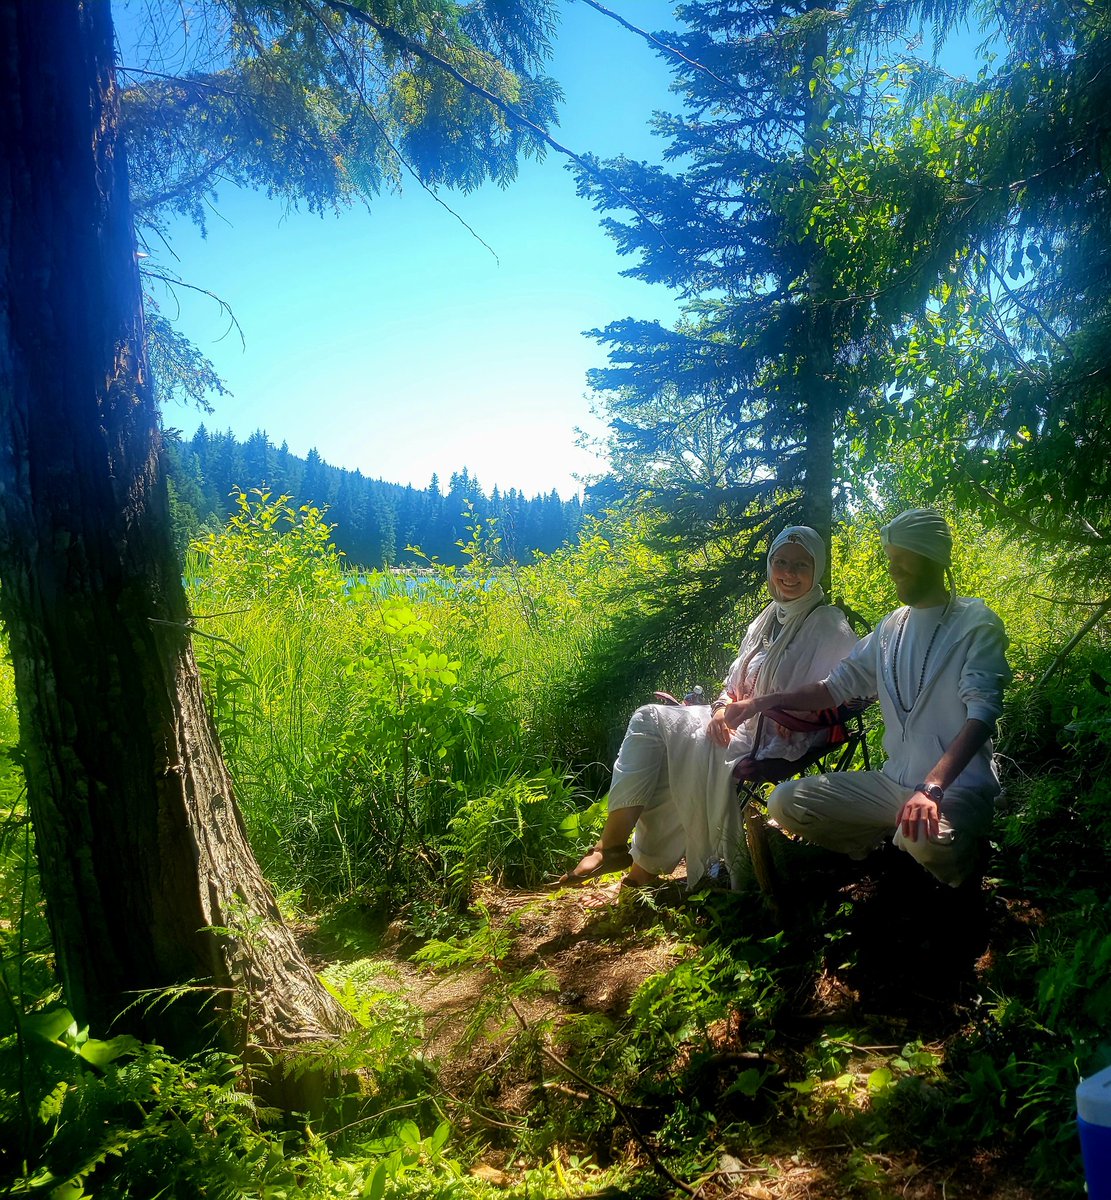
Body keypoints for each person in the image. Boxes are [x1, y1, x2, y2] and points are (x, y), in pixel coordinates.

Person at [560, 526, 858, 891]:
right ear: (770, 566)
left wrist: (786, 712)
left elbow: (846, 690)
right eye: (780, 562)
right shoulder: (766, 619)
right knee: (650, 719)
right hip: (737, 721)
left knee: (685, 756)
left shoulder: (829, 624)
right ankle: (613, 845)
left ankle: (643, 869)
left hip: (779, 735)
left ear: (818, 569)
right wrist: (719, 709)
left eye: (800, 564)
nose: (789, 573)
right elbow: (733, 686)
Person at [724, 509, 1010, 887]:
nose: (893, 570)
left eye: (902, 559)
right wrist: (761, 702)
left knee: (921, 837)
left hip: (956, 788)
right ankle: (874, 851)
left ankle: (966, 873)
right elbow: (831, 688)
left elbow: (982, 715)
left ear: (934, 558)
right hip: (893, 784)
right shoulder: (892, 627)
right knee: (785, 802)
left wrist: (931, 788)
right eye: (891, 559)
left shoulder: (976, 624)